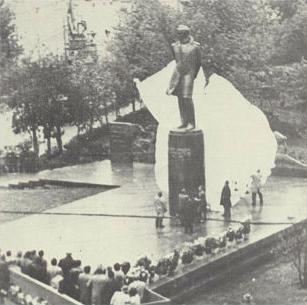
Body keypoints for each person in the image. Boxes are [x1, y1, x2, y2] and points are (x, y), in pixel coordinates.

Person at [166, 25, 202, 130]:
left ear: (186, 34)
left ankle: (191, 122)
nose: (179, 35)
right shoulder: (174, 46)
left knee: (187, 97)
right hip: (178, 73)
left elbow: (198, 63)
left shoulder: (196, 47)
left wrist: (193, 75)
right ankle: (184, 121)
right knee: (180, 98)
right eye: (178, 33)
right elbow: (176, 60)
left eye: (181, 33)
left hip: (189, 73)